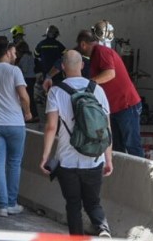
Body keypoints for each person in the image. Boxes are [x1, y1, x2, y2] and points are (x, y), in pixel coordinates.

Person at [40, 50, 113, 237]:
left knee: (73, 204)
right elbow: (106, 128)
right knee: (93, 202)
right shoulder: (97, 89)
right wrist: (108, 159)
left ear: (63, 67)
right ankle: (103, 229)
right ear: (82, 65)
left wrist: (45, 156)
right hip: (94, 158)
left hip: (67, 160)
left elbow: (51, 127)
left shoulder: (55, 92)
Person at [0, 42, 32, 216]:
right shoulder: (14, 71)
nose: (16, 56)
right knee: (14, 163)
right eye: (14, 52)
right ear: (8, 52)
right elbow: (23, 96)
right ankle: (11, 203)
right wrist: (28, 112)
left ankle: (1, 206)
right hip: (15, 123)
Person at [76, 30, 144, 157]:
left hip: (126, 105)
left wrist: (89, 84)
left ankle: (141, 175)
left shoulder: (101, 51)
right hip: (115, 107)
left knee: (132, 144)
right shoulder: (96, 55)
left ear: (83, 44)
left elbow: (110, 73)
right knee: (117, 145)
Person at [15, 41, 39, 122]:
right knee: (30, 97)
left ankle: (31, 115)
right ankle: (34, 115)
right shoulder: (30, 56)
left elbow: (24, 69)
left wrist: (16, 67)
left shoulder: (25, 57)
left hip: (27, 78)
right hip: (32, 77)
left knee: (28, 98)